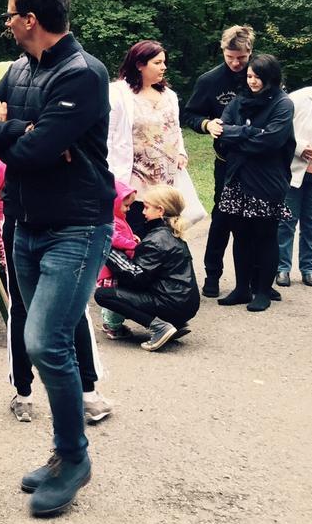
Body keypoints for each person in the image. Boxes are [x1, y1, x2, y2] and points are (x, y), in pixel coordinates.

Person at [0, 0, 115, 518]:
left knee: (45, 342)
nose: (6, 22)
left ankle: (74, 458)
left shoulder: (83, 74)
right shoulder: (17, 69)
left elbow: (24, 152)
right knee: (45, 339)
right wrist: (23, 133)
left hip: (75, 227)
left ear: (30, 19)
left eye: (9, 13)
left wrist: (16, 134)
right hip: (25, 225)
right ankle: (61, 455)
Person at [3, 216, 114, 426]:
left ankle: (23, 396)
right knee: (74, 307)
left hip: (22, 219)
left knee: (20, 309)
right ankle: (88, 395)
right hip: (68, 223)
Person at [211, 54, 295, 312]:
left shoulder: (283, 104)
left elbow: (271, 141)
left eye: (258, 76)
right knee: (241, 235)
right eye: (249, 76)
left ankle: (262, 290)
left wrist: (238, 137)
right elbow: (222, 134)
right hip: (237, 177)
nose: (253, 81)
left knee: (265, 235)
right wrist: (249, 132)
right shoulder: (239, 101)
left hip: (267, 180)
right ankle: (241, 288)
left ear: (270, 77)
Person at [182, 25, 255, 297]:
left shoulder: (260, 75)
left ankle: (256, 280)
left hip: (257, 163)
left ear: (250, 52)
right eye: (230, 57)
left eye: (242, 58)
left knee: (255, 220)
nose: (236, 64)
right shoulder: (209, 80)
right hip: (225, 161)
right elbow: (189, 115)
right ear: (223, 51)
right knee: (223, 218)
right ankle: (212, 275)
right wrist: (205, 124)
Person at [94, 185, 199, 351]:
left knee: (104, 295)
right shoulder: (168, 232)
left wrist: (107, 250)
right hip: (185, 304)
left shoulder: (157, 238)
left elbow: (136, 276)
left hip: (172, 303)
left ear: (160, 210)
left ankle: (160, 327)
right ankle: (174, 323)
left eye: (146, 207)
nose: (142, 212)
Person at [108, 40, 188, 233]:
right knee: (139, 237)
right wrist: (111, 177)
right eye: (158, 62)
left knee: (166, 238)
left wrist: (181, 152)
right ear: (139, 64)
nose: (164, 67)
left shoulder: (169, 95)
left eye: (164, 62)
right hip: (136, 184)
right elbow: (107, 136)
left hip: (166, 186)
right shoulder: (118, 93)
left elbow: (175, 129)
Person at [276, 64, 312, 288]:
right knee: (286, 220)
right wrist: (299, 148)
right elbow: (281, 128)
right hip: (295, 171)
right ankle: (282, 268)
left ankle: (309, 269)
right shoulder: (301, 98)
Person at [97, 182, 140, 339]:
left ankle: (111, 324)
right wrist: (132, 245)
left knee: (114, 299)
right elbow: (115, 238)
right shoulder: (111, 220)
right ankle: (113, 326)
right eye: (126, 205)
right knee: (114, 301)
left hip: (116, 267)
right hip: (110, 270)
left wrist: (131, 237)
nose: (128, 209)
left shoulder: (119, 218)